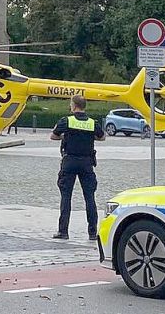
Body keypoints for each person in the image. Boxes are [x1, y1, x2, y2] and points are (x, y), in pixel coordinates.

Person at [50, 94, 105, 241]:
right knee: (90, 197)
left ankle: (63, 232)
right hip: (87, 163)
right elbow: (102, 137)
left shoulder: (67, 121)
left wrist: (66, 137)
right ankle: (93, 233)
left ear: (74, 106)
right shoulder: (92, 123)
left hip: (69, 162)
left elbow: (53, 136)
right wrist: (88, 137)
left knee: (66, 196)